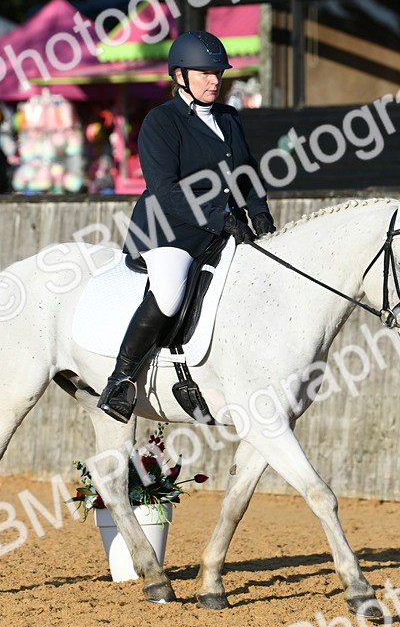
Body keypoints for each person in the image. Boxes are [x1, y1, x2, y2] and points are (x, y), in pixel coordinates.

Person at [96, 31, 275, 422]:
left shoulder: (229, 118)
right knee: (168, 294)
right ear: (180, 75)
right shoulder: (161, 122)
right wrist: (221, 218)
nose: (215, 80)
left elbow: (245, 172)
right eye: (205, 73)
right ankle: (121, 381)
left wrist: (258, 211)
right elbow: (166, 190)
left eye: (218, 74)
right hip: (169, 229)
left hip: (222, 228)